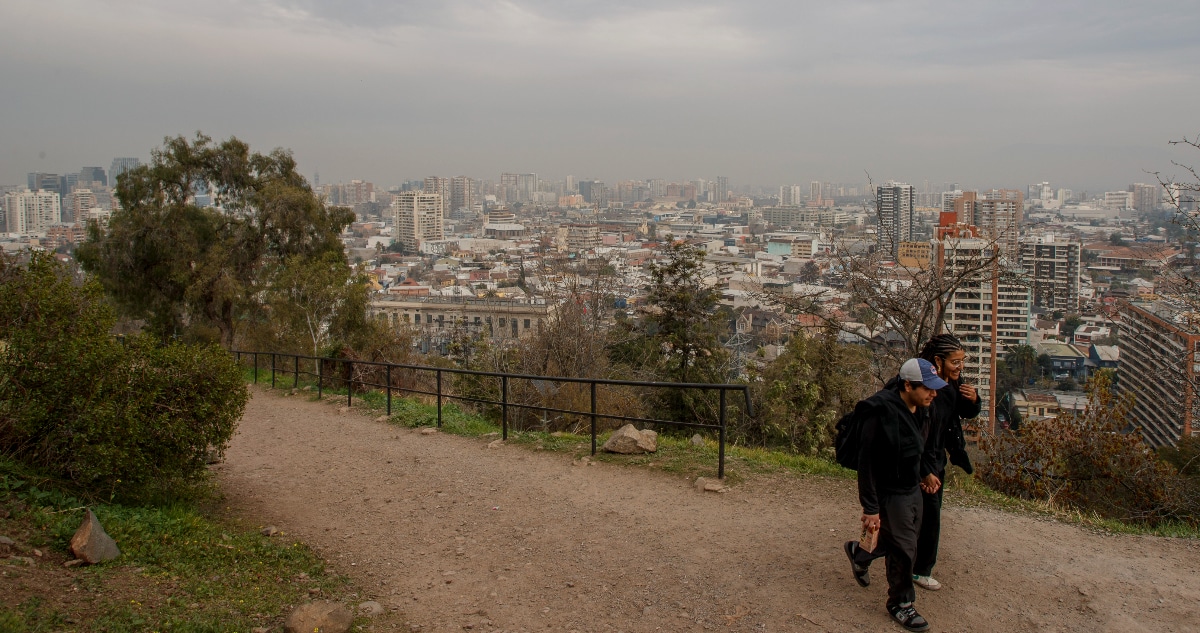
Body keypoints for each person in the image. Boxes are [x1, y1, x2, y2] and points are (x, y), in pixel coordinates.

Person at [843, 358, 945, 633]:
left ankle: (859, 554)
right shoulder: (880, 413)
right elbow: (866, 465)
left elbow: (918, 446)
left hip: (911, 487)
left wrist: (926, 472)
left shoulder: (923, 408)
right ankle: (900, 603)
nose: (933, 394)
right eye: (928, 388)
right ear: (908, 385)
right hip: (888, 491)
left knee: (902, 539)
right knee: (905, 548)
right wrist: (871, 508)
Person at [912, 334, 979, 591]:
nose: (959, 368)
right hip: (921, 463)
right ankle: (918, 569)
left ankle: (871, 553)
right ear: (938, 361)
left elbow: (961, 412)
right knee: (923, 518)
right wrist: (925, 470)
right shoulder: (925, 387)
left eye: (962, 362)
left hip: (937, 460)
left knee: (924, 517)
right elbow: (919, 433)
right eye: (955, 362)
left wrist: (973, 400)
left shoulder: (951, 384)